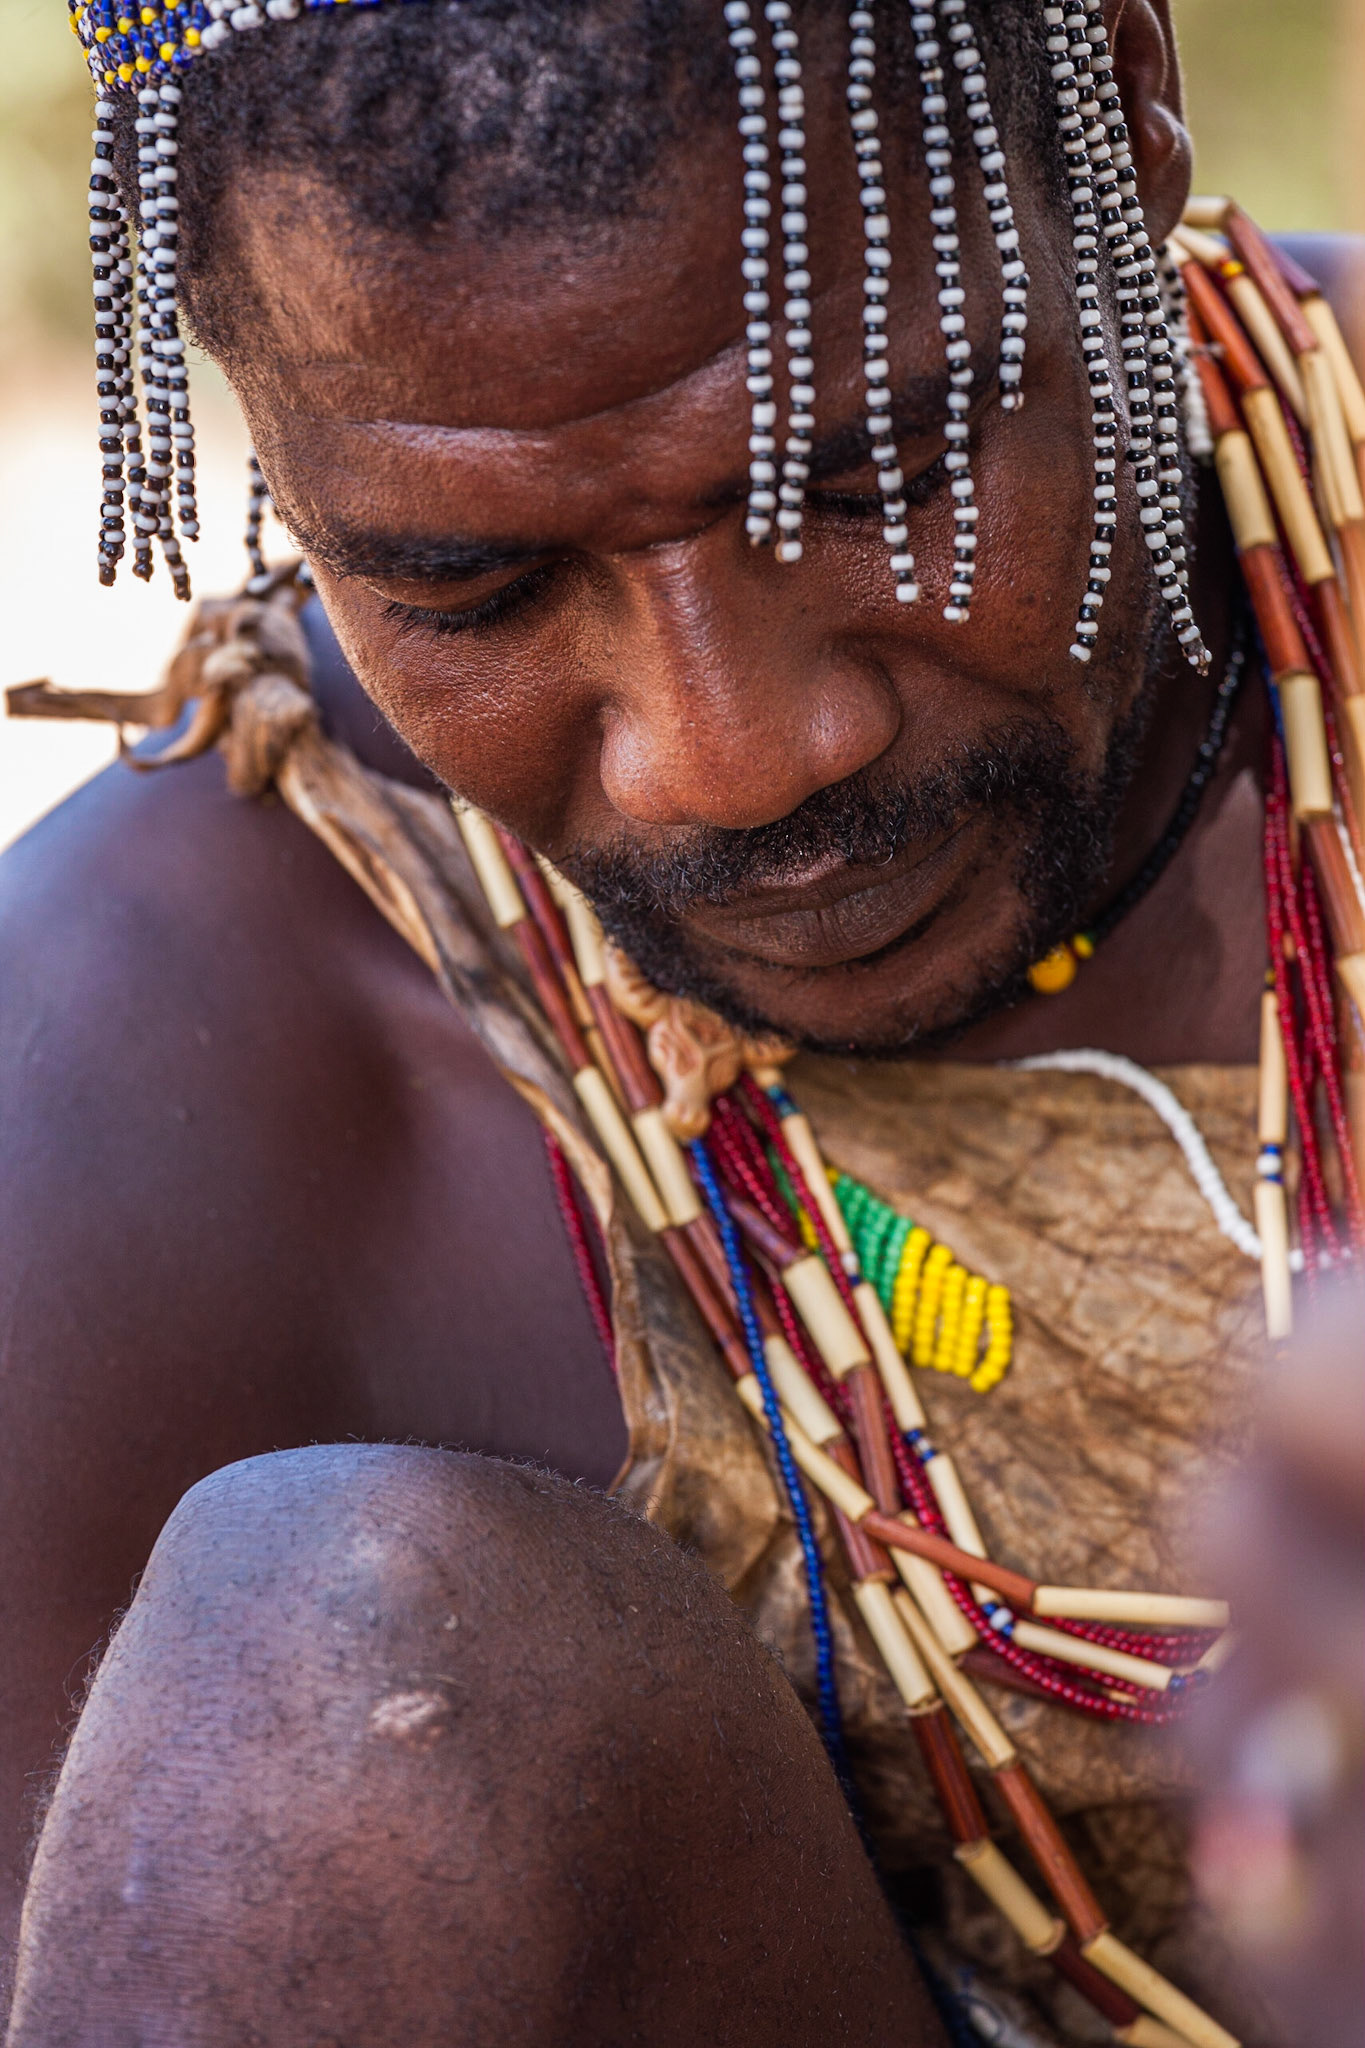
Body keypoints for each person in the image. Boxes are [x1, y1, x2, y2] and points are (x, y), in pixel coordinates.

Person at [1, 3, 1362, 2042]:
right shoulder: (151, 1085)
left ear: (1119, 110)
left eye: (878, 472)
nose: (733, 752)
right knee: (333, 1658)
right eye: (471, 591)